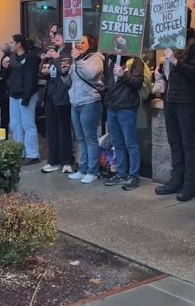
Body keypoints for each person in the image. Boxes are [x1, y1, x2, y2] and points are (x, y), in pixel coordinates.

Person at [156, 20, 195, 202]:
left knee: (187, 143)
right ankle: (176, 179)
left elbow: (194, 73)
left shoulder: (194, 45)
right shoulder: (171, 44)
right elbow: (171, 74)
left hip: (186, 100)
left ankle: (190, 185)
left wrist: (175, 62)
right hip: (171, 98)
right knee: (174, 141)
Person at [103, 51, 145, 190]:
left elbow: (138, 83)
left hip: (127, 107)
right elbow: (109, 82)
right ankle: (121, 173)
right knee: (117, 143)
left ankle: (133, 176)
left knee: (130, 143)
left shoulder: (135, 60)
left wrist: (124, 75)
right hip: (112, 107)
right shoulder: (111, 60)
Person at [67, 33, 105, 184]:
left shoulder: (96, 58)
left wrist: (78, 60)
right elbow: (69, 80)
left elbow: (90, 74)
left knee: (90, 138)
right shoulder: (77, 59)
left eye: (83, 42)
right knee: (80, 138)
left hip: (90, 102)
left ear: (91, 44)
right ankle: (82, 169)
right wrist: (64, 72)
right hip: (75, 102)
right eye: (78, 42)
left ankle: (92, 171)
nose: (79, 45)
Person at [1, 33, 42, 165]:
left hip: (25, 95)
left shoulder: (30, 59)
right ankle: (20, 151)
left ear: (19, 44)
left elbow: (30, 79)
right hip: (14, 94)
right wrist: (5, 68)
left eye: (12, 42)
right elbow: (10, 77)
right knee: (15, 124)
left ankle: (32, 153)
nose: (10, 45)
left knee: (27, 124)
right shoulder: (14, 59)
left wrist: (26, 96)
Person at [40, 28, 76, 174]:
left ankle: (66, 160)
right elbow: (48, 72)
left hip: (64, 95)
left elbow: (64, 70)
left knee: (64, 129)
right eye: (54, 36)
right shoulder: (53, 52)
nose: (55, 38)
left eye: (59, 35)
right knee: (52, 129)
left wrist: (56, 58)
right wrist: (45, 68)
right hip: (51, 93)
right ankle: (52, 160)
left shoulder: (69, 52)